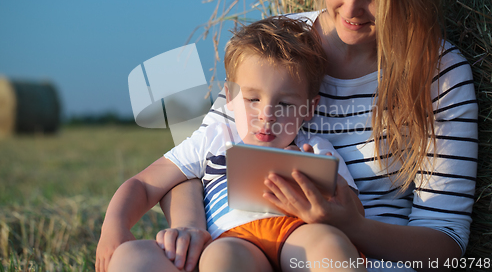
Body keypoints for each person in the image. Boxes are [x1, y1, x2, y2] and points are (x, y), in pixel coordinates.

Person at [102, 0, 478, 271]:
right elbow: (194, 165)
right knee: (136, 261)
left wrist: (352, 226)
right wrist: (193, 230)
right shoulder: (278, 47)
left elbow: (444, 248)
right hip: (232, 244)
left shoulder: (440, 76)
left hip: (345, 255)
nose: (350, 8)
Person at [97, 16, 365, 272]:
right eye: (253, 99)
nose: (266, 115)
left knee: (330, 247)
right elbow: (145, 184)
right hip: (231, 239)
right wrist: (114, 227)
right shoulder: (213, 139)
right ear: (230, 95)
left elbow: (354, 214)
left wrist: (317, 194)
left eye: (284, 104)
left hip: (295, 232)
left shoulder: (316, 148)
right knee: (138, 259)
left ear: (309, 108)